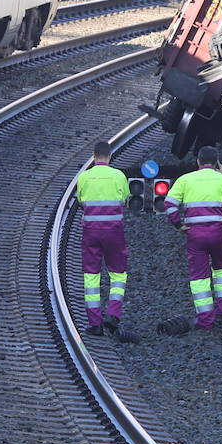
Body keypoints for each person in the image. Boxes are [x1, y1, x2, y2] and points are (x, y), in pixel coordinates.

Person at [158, 145, 222, 335]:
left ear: (198, 161)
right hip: (218, 234)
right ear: (216, 163)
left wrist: (178, 225)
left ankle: (206, 319)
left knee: (199, 277)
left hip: (195, 235)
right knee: (221, 271)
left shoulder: (185, 180)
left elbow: (169, 204)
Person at [76, 140, 137, 342]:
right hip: (114, 232)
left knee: (91, 276)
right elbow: (125, 200)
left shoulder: (84, 177)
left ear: (94, 156)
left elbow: (81, 201)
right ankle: (113, 314)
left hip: (91, 232)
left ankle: (95, 324)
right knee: (118, 274)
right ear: (110, 156)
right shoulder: (119, 176)